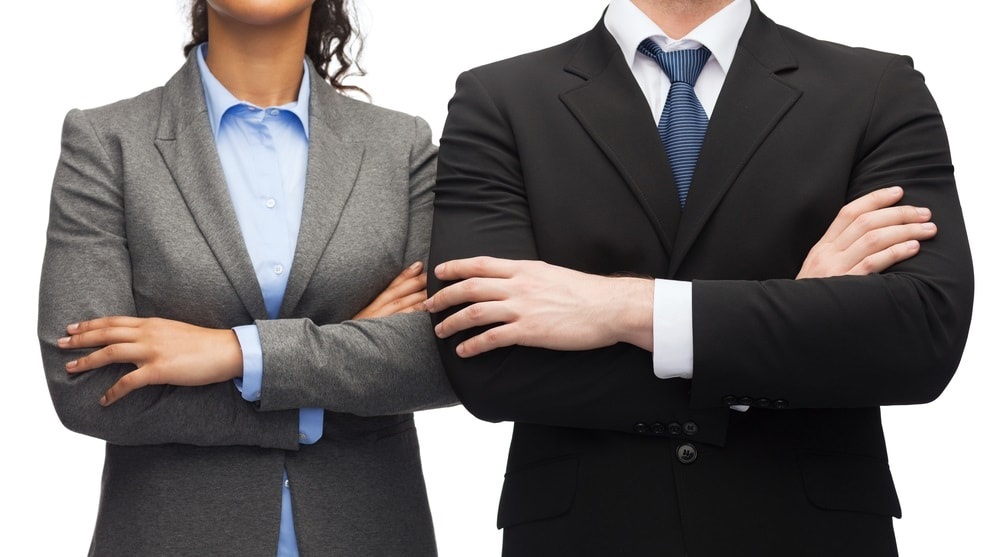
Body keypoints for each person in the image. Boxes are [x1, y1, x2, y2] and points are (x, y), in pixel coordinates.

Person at [425, 0, 974, 555]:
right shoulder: (498, 98)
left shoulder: (876, 88)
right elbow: (486, 359)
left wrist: (619, 306)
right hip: (586, 532)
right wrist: (797, 312)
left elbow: (920, 334)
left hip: (811, 532)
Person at [38, 1, 455, 555]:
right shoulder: (107, 143)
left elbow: (443, 354)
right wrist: (345, 360)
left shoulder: (400, 148)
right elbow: (86, 385)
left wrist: (237, 353)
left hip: (371, 531)